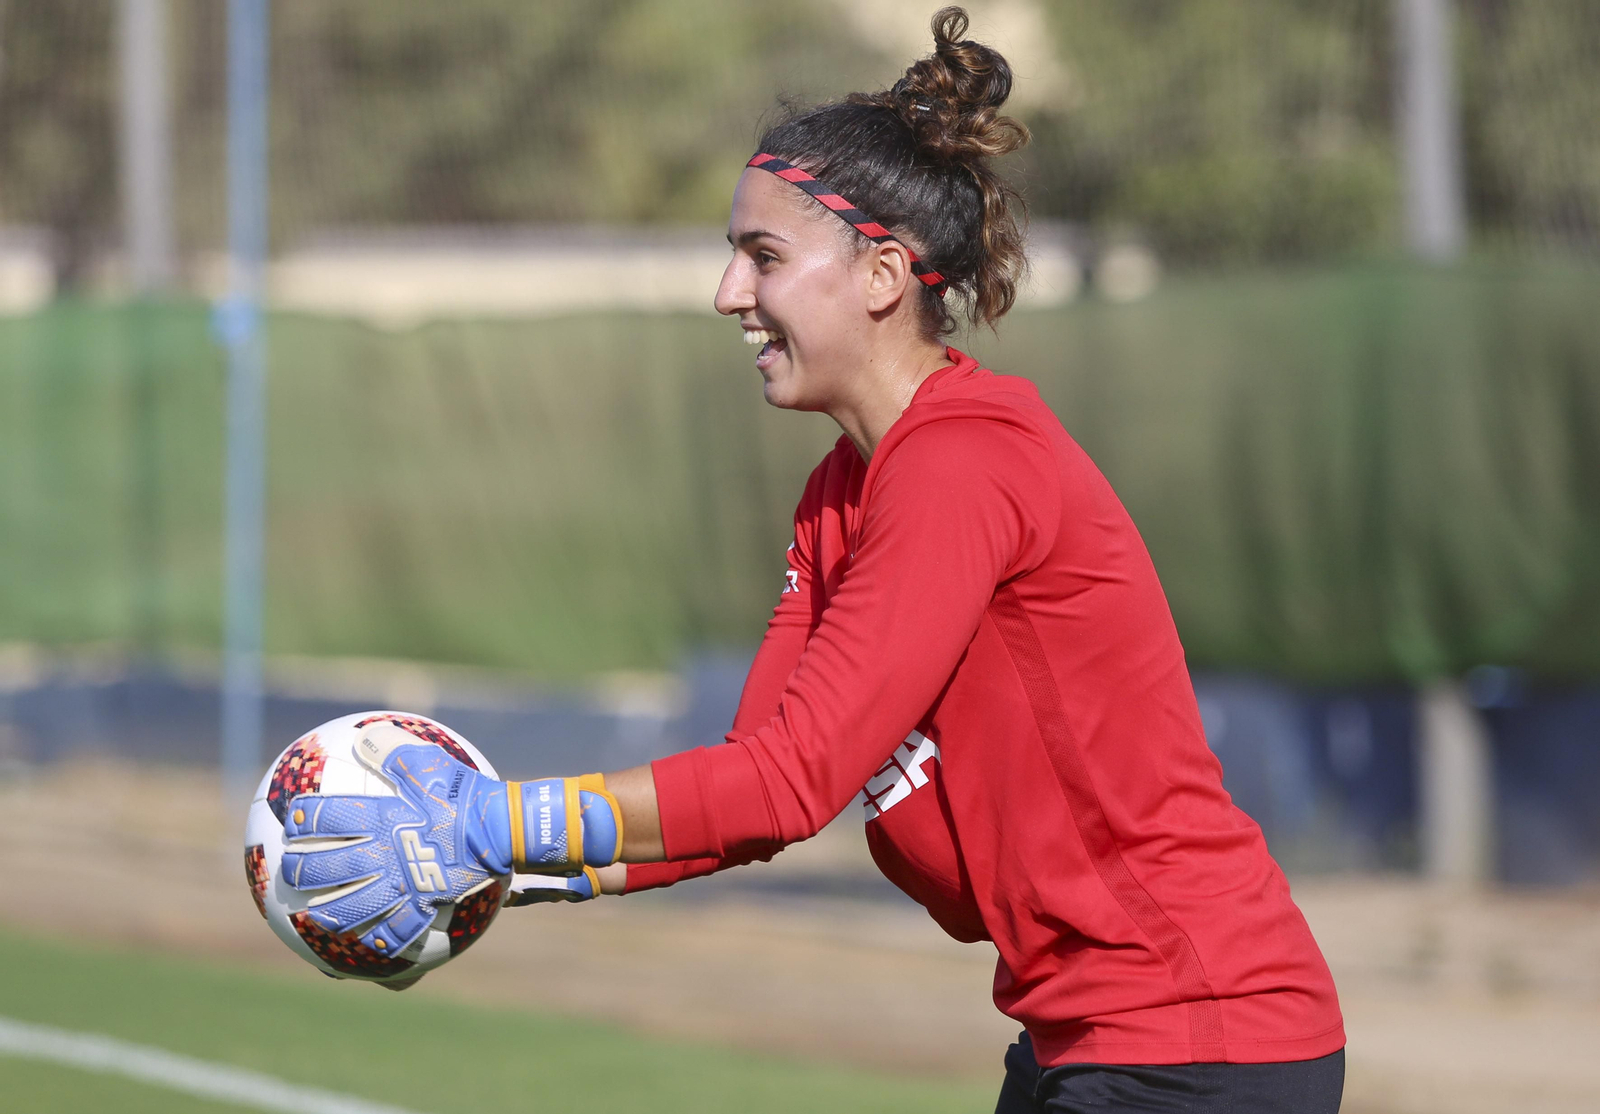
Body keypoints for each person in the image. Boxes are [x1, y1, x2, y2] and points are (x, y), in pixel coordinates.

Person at [282, 9, 1345, 1110]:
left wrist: (486, 822)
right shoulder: (842, 494)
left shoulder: (962, 465)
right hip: (1093, 1039)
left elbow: (785, 788)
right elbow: (750, 786)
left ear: (882, 273)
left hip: (1200, 1039)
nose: (729, 295)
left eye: (763, 256)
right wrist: (495, 868)